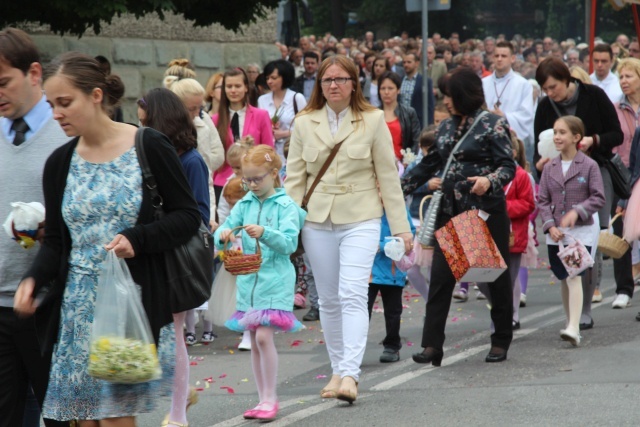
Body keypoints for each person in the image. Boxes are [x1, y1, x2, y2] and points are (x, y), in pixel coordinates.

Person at [13, 52, 201, 425]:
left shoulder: (148, 145)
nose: (57, 114)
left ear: (96, 95)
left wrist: (138, 238)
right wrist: (33, 279)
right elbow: (56, 242)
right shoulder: (60, 162)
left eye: (65, 103)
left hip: (127, 304)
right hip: (76, 310)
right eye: (51, 105)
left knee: (115, 420)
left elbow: (188, 216)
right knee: (84, 420)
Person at [285, 55, 412, 404]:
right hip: (316, 221)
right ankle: (337, 368)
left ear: (354, 83)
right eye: (327, 80)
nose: (334, 85)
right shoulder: (303, 122)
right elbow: (294, 181)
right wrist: (285, 227)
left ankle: (351, 374)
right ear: (319, 86)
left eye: (341, 79)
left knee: (353, 293)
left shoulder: (371, 121)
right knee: (328, 299)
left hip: (361, 217)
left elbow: (389, 176)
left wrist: (401, 228)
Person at [402, 67, 516, 365]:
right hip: (451, 213)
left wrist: (489, 180)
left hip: (484, 212)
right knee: (441, 279)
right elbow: (429, 165)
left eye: (450, 95)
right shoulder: (445, 128)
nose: (446, 101)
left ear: (463, 95)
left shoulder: (493, 124)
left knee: (496, 280)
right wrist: (395, 188)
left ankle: (501, 339)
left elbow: (508, 166)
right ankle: (432, 346)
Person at [0, 28, 70, 427]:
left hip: (49, 304)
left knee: (61, 416)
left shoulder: (65, 132)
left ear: (34, 74)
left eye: (3, 82)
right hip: (0, 305)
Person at [215, 145, 305, 422]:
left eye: (257, 179)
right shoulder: (244, 204)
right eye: (247, 180)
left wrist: (265, 232)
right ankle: (262, 397)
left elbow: (289, 242)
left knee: (264, 336)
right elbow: (222, 228)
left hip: (275, 278)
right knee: (254, 340)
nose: (251, 185)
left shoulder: (286, 205)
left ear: (274, 174)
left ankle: (271, 398)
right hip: (248, 279)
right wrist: (225, 234)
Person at [533, 57, 624, 328]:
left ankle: (584, 308)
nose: (551, 94)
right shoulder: (545, 106)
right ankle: (573, 305)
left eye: (554, 87)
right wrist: (543, 164)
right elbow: (541, 145)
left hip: (596, 169)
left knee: (590, 241)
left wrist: (592, 140)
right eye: (546, 89)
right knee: (564, 245)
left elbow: (616, 134)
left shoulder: (593, 95)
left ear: (567, 79)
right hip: (559, 176)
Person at [137, 87, 209, 427]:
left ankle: (178, 414)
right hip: (153, 253)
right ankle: (183, 394)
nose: (140, 131)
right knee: (165, 336)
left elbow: (197, 212)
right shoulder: (148, 154)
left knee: (176, 332)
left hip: (177, 258)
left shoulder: (191, 160)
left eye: (145, 123)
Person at [538, 116, 605, 346]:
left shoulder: (589, 165)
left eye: (562, 132)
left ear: (576, 137)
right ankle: (570, 322)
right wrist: (549, 225)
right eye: (555, 132)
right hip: (556, 233)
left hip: (581, 231)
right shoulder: (549, 167)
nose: (557, 136)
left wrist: (577, 211)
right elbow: (543, 200)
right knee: (565, 278)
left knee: (574, 275)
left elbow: (598, 197)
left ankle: (574, 327)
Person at [476, 133, 535, 329]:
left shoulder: (521, 176)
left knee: (507, 281)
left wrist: (501, 207)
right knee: (482, 281)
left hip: (513, 238)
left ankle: (506, 319)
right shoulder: (486, 176)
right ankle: (502, 310)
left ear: (513, 152)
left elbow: (528, 204)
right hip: (487, 236)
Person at [168, 77, 225, 228]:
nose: (196, 113)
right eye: (191, 109)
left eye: (200, 108)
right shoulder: (163, 125)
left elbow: (206, 174)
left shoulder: (202, 123)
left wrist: (210, 215)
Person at [213, 68, 274, 203]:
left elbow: (269, 150)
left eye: (238, 86)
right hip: (223, 185)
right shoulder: (215, 120)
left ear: (246, 87)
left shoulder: (261, 116)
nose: (233, 90)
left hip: (254, 183)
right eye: (229, 86)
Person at [368, 204, 416, 363]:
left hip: (392, 270)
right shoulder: (363, 205)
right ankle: (354, 349)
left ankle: (392, 346)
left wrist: (380, 246)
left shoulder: (398, 208)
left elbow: (409, 237)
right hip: (367, 270)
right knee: (361, 311)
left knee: (393, 312)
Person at [482, 40, 535, 167]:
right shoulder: (483, 83)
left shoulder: (523, 84)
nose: (499, 59)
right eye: (496, 56)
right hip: (486, 141)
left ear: (512, 58)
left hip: (511, 140)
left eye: (504, 56)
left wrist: (504, 116)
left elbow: (526, 115)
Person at [258, 59, 307, 160]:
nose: (269, 81)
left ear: (284, 77)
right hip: (269, 154)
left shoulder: (297, 98)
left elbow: (307, 129)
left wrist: (284, 134)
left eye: (274, 78)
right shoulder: (262, 100)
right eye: (267, 78)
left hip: (292, 152)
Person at [378, 71, 421, 161]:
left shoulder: (409, 113)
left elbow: (416, 141)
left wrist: (408, 161)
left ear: (398, 90)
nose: (386, 92)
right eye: (383, 88)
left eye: (390, 88)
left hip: (403, 166)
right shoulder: (373, 114)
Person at [400, 52, 435, 128]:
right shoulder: (399, 80)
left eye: (409, 62)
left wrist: (429, 126)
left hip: (418, 122)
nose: (406, 65)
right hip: (402, 122)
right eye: (404, 62)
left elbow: (430, 105)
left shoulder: (425, 81)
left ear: (416, 63)